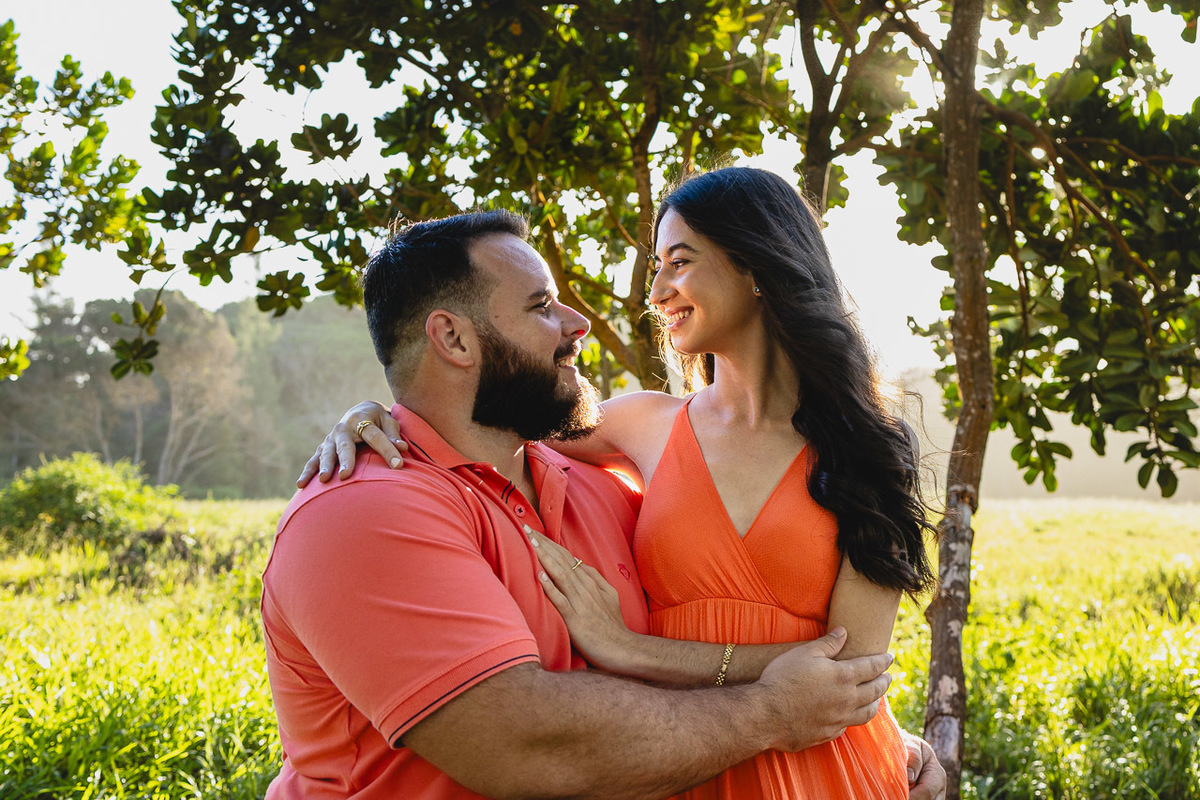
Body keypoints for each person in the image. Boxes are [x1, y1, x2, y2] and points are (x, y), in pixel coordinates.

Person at [301, 169, 943, 799]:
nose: (656, 289)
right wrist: (375, 413)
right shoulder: (640, 424)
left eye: (679, 261)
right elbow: (478, 413)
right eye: (656, 265)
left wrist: (631, 649)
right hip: (680, 761)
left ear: (755, 267)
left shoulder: (869, 449)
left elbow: (850, 676)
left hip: (823, 764)